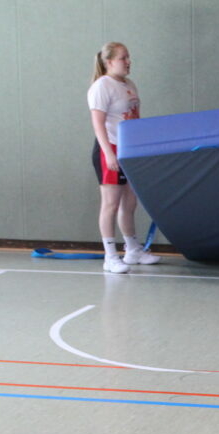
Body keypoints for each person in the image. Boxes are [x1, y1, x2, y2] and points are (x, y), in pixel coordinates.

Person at [88, 41, 160, 274]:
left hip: (129, 149)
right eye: (123, 58)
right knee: (111, 203)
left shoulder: (129, 84)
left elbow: (134, 118)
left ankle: (133, 250)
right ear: (109, 62)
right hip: (110, 148)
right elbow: (98, 124)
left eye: (129, 57)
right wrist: (109, 154)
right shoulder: (102, 86)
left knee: (129, 202)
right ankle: (110, 256)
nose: (128, 62)